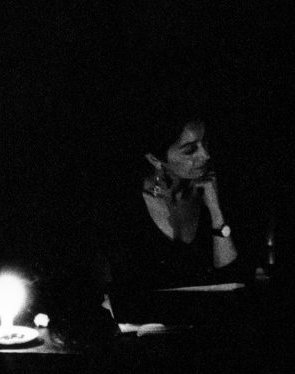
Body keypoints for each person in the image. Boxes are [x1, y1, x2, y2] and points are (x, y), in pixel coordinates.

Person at [99, 115, 240, 300]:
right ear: (155, 159)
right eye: (190, 150)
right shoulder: (125, 207)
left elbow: (230, 279)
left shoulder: (215, 190)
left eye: (205, 143)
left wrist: (216, 211)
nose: (205, 155)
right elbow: (124, 286)